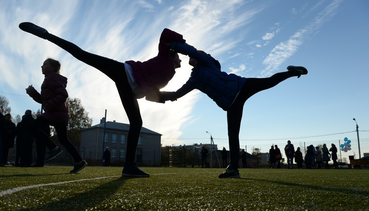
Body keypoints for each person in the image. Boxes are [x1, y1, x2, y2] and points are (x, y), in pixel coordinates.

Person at [20, 22, 185, 178]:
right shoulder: (165, 58)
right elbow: (165, 34)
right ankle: (47, 35)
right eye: (179, 57)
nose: (181, 60)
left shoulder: (169, 75)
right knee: (83, 55)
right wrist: (183, 45)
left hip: (129, 89)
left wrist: (173, 96)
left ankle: (129, 167)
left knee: (136, 123)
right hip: (123, 72)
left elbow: (151, 95)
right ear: (173, 54)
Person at [159, 42, 307, 178]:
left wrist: (173, 45)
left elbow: (190, 50)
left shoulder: (206, 62)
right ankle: (233, 169)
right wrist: (157, 95)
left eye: (192, 55)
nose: (189, 57)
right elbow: (177, 94)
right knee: (233, 135)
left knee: (268, 81)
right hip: (232, 104)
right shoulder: (194, 79)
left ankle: (293, 72)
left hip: (241, 86)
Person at [26, 58, 87, 174]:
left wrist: (49, 107)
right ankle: (79, 161)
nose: (41, 66)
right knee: (63, 139)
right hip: (59, 113)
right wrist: (33, 93)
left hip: (55, 113)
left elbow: (63, 95)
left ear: (52, 67)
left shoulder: (52, 78)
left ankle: (53, 148)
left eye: (44, 64)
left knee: (32, 127)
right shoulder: (50, 79)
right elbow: (44, 100)